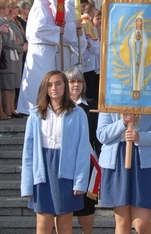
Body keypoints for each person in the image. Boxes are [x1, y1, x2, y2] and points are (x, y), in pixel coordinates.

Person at [20, 70, 90, 234]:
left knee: (65, 223)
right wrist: (27, 184)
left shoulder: (78, 113)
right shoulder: (35, 114)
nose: (54, 88)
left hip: (66, 172)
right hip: (42, 172)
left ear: (65, 86)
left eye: (58, 83)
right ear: (45, 88)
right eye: (50, 84)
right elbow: (28, 153)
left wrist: (80, 181)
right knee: (43, 223)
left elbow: (82, 150)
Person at [97, 109, 151, 234]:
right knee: (122, 222)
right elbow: (101, 134)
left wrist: (140, 137)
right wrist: (122, 122)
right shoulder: (110, 99)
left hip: (145, 164)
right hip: (117, 162)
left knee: (141, 223)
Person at [17, 0, 62, 115]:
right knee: (41, 79)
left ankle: (41, 105)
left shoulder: (43, 6)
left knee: (44, 78)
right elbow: (39, 29)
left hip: (45, 47)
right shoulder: (40, 7)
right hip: (41, 49)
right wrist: (58, 30)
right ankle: (35, 107)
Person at [65, 67, 100, 234]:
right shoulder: (57, 108)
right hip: (64, 163)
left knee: (87, 204)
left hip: (87, 162)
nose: (76, 85)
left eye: (79, 81)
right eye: (72, 81)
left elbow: (97, 139)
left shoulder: (92, 107)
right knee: (64, 205)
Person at [0, 0, 25, 119]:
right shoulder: (4, 22)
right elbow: (6, 41)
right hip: (8, 55)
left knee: (12, 85)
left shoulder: (12, 22)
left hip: (14, 56)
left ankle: (11, 108)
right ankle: (7, 108)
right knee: (7, 85)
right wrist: (19, 45)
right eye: (12, 7)